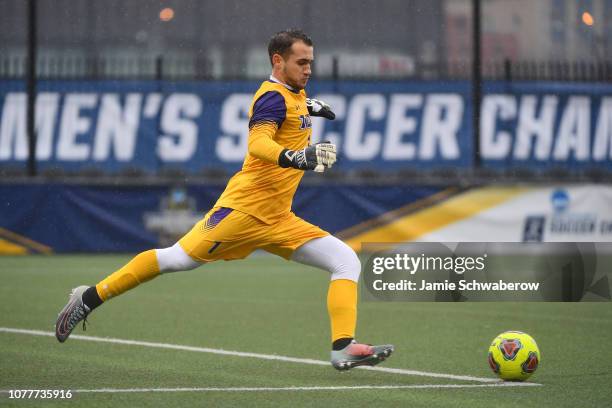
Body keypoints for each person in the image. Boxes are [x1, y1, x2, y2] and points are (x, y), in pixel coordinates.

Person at [55, 29, 393, 371]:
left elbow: (294, 106)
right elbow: (257, 144)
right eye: (301, 62)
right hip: (243, 212)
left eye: (311, 62)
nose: (308, 69)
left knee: (346, 261)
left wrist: (312, 107)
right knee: (176, 259)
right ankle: (88, 298)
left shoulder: (293, 95)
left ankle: (343, 347)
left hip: (279, 219)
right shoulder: (272, 98)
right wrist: (297, 156)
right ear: (278, 61)